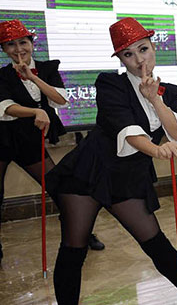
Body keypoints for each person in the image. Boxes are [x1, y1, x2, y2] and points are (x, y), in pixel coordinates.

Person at [46, 17, 177, 305]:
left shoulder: (168, 92)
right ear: (120, 59)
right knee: (74, 248)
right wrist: (156, 150)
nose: (139, 59)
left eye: (143, 49)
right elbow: (127, 131)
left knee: (155, 242)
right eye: (128, 54)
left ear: (154, 48)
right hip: (87, 173)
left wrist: (155, 100)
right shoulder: (109, 84)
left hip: (127, 177)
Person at [0, 20, 104, 265]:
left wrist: (32, 78)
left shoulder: (47, 68)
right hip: (2, 138)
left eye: (23, 42)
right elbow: (5, 107)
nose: (18, 49)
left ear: (32, 43)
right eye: (10, 45)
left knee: (59, 187)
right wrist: (35, 111)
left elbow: (60, 100)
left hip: (28, 140)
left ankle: (81, 232)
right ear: (4, 49)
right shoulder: (2, 75)